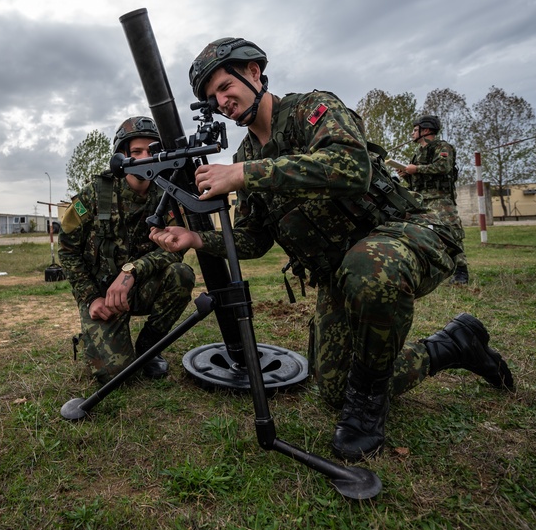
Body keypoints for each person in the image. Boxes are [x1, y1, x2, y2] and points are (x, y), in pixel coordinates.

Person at [149, 38, 514, 461]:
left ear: (253, 72)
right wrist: (195, 239)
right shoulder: (245, 154)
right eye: (213, 99)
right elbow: (253, 238)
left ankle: (367, 411)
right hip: (342, 268)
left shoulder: (311, 110)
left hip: (406, 231)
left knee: (368, 268)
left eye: (225, 87)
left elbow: (351, 168)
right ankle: (454, 345)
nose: (223, 102)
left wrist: (248, 174)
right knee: (335, 389)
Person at [58, 116, 196, 384]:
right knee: (114, 377)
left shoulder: (166, 194)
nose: (145, 157)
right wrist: (90, 298)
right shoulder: (95, 194)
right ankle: (101, 338)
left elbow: (175, 249)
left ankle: (148, 349)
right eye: (136, 152)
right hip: (102, 295)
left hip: (138, 286)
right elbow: (67, 249)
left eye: (152, 151)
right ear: (121, 157)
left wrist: (132, 271)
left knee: (181, 274)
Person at [402, 115, 469, 284]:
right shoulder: (418, 153)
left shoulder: (442, 147)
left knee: (452, 234)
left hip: (440, 200)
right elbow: (419, 179)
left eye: (415, 130)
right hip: (420, 200)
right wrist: (407, 175)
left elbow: (443, 166)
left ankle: (461, 271)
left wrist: (416, 169)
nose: (412, 133)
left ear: (425, 131)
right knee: (421, 234)